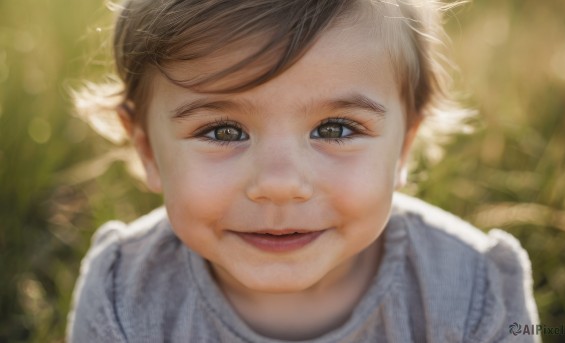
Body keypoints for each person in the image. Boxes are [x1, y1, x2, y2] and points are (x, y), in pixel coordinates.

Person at [67, 0, 539, 342]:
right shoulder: (122, 298)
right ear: (148, 151)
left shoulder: (475, 293)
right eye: (224, 132)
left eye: (335, 128)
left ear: (403, 148)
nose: (280, 185)